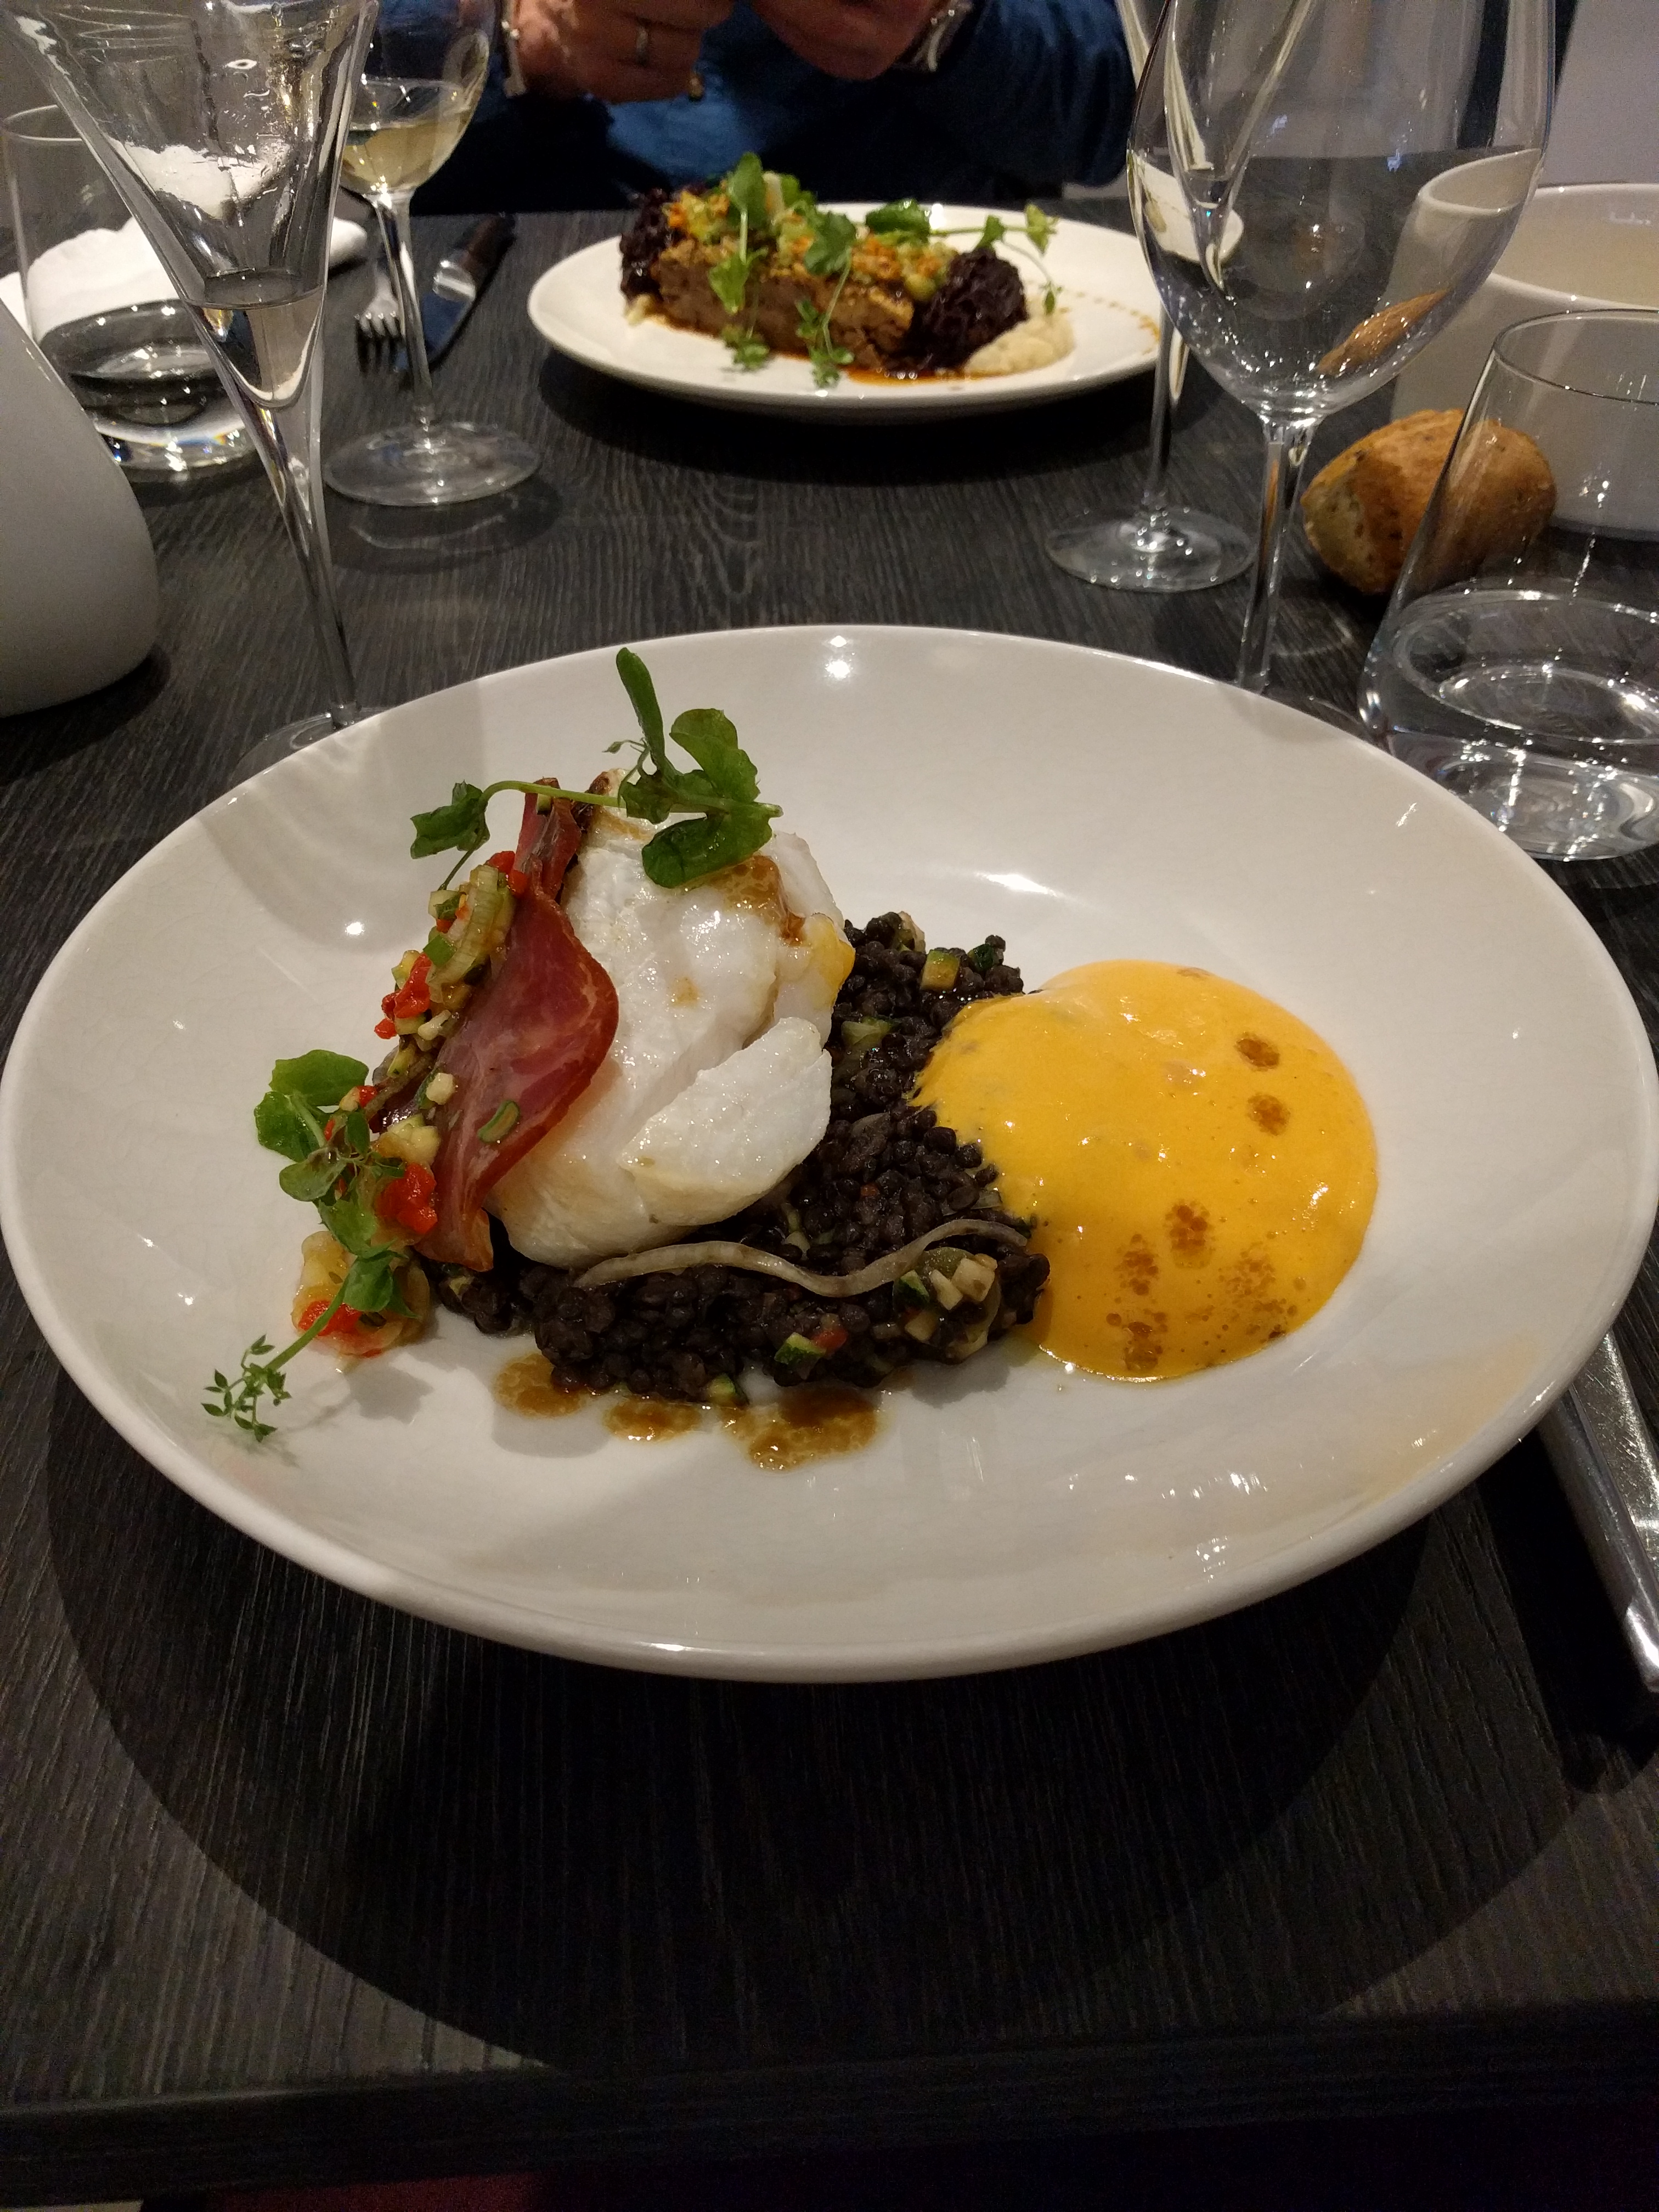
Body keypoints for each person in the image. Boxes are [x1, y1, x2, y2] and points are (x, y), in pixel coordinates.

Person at [415, 0, 1134, 212]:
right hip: (542, 310)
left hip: (933, 327)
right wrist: (527, 44)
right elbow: (371, 99)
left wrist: (940, 29)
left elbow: (1119, 116)